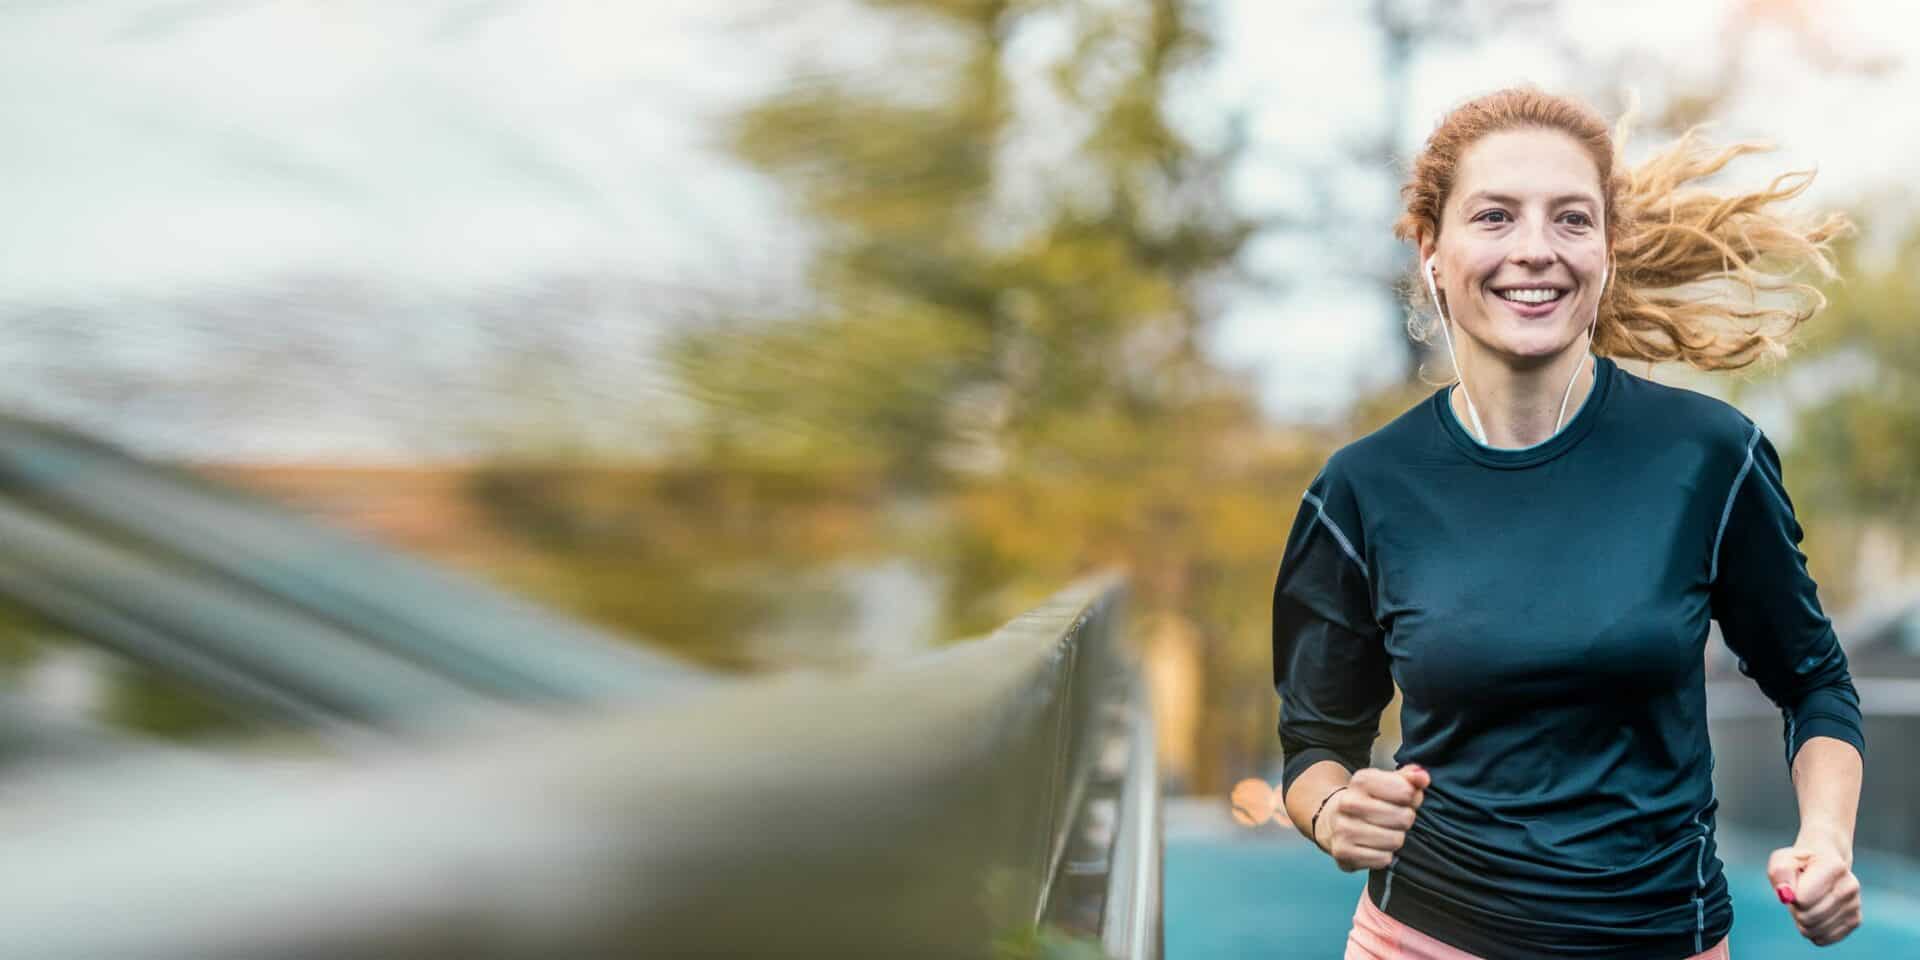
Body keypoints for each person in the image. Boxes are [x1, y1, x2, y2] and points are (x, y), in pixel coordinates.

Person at [1270, 87, 1866, 959]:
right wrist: (1332, 813)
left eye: (1571, 220)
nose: (1535, 250)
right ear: (1434, 249)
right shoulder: (1361, 489)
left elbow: (1815, 685)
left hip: (1663, 939)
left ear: (1608, 250)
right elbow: (1316, 743)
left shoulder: (1709, 456)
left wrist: (1827, 842)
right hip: (1423, 938)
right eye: (1496, 216)